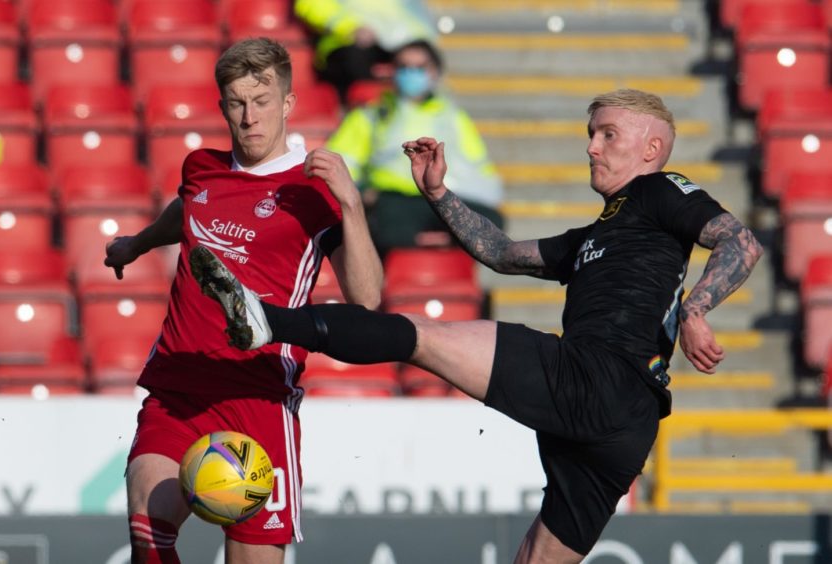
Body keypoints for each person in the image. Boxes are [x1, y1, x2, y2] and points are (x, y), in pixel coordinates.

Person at [189, 89, 763, 562]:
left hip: (596, 377)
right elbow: (503, 252)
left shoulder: (660, 189)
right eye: (591, 133)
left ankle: (267, 319)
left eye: (607, 134)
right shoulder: (600, 235)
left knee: (418, 334)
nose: (592, 147)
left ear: (652, 147)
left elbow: (740, 239)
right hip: (625, 426)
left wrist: (695, 309)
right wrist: (437, 192)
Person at [103, 37, 382, 564]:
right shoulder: (201, 169)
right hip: (178, 387)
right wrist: (135, 245)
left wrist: (351, 204)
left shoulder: (314, 190)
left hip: (257, 398)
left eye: (262, 101)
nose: (250, 116)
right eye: (237, 103)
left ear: (288, 104)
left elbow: (366, 297)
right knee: (148, 534)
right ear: (223, 106)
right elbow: (186, 212)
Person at [326, 39, 504, 257]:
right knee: (384, 221)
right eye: (404, 67)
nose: (411, 74)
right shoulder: (371, 115)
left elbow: (479, 169)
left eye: (420, 68)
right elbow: (341, 162)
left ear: (435, 72)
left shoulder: (454, 118)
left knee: (490, 223)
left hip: (443, 198)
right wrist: (361, 192)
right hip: (394, 199)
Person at [294, 0, 437, 103]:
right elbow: (309, 4)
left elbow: (413, 14)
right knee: (355, 61)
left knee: (420, 59)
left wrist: (416, 42)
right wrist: (350, 27)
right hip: (346, 43)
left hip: (392, 44)